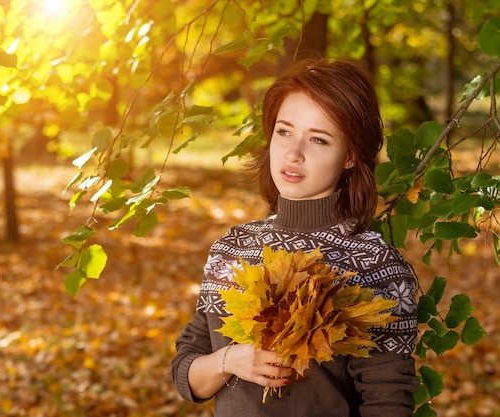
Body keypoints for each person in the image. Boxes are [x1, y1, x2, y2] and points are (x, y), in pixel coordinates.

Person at [171, 57, 419, 417]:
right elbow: (187, 374)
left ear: (350, 156)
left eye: (318, 139)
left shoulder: (374, 263)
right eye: (284, 131)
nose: (293, 153)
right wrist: (230, 359)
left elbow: (388, 404)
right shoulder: (233, 247)